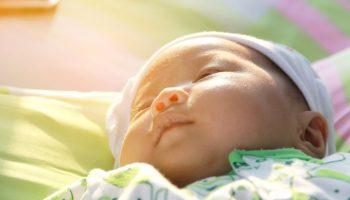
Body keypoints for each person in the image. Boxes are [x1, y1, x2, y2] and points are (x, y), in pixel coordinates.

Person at [45, 32, 350, 200]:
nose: (164, 99)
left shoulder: (338, 172)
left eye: (208, 74)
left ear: (309, 135)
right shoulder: (109, 189)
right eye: (143, 107)